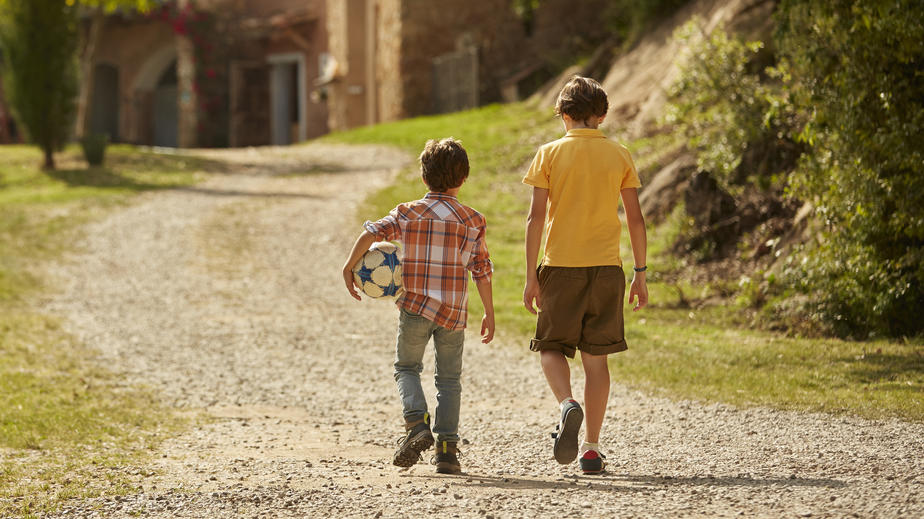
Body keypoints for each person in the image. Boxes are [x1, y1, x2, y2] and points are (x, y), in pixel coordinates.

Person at [342, 137, 495, 475]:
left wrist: (348, 265)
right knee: (449, 380)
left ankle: (416, 423)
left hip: (414, 307)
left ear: (424, 177)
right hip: (454, 314)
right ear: (464, 178)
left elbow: (371, 233)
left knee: (407, 368)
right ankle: (447, 451)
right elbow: (481, 270)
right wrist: (490, 312)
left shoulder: (407, 213)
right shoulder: (473, 220)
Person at [522, 76, 648, 475]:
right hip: (607, 269)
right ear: (602, 115)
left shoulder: (548, 154)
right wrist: (640, 273)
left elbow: (535, 218)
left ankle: (566, 405)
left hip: (560, 266)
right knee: (597, 361)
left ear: (562, 114)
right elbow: (635, 219)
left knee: (549, 347)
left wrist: (530, 276)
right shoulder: (620, 154)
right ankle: (591, 449)